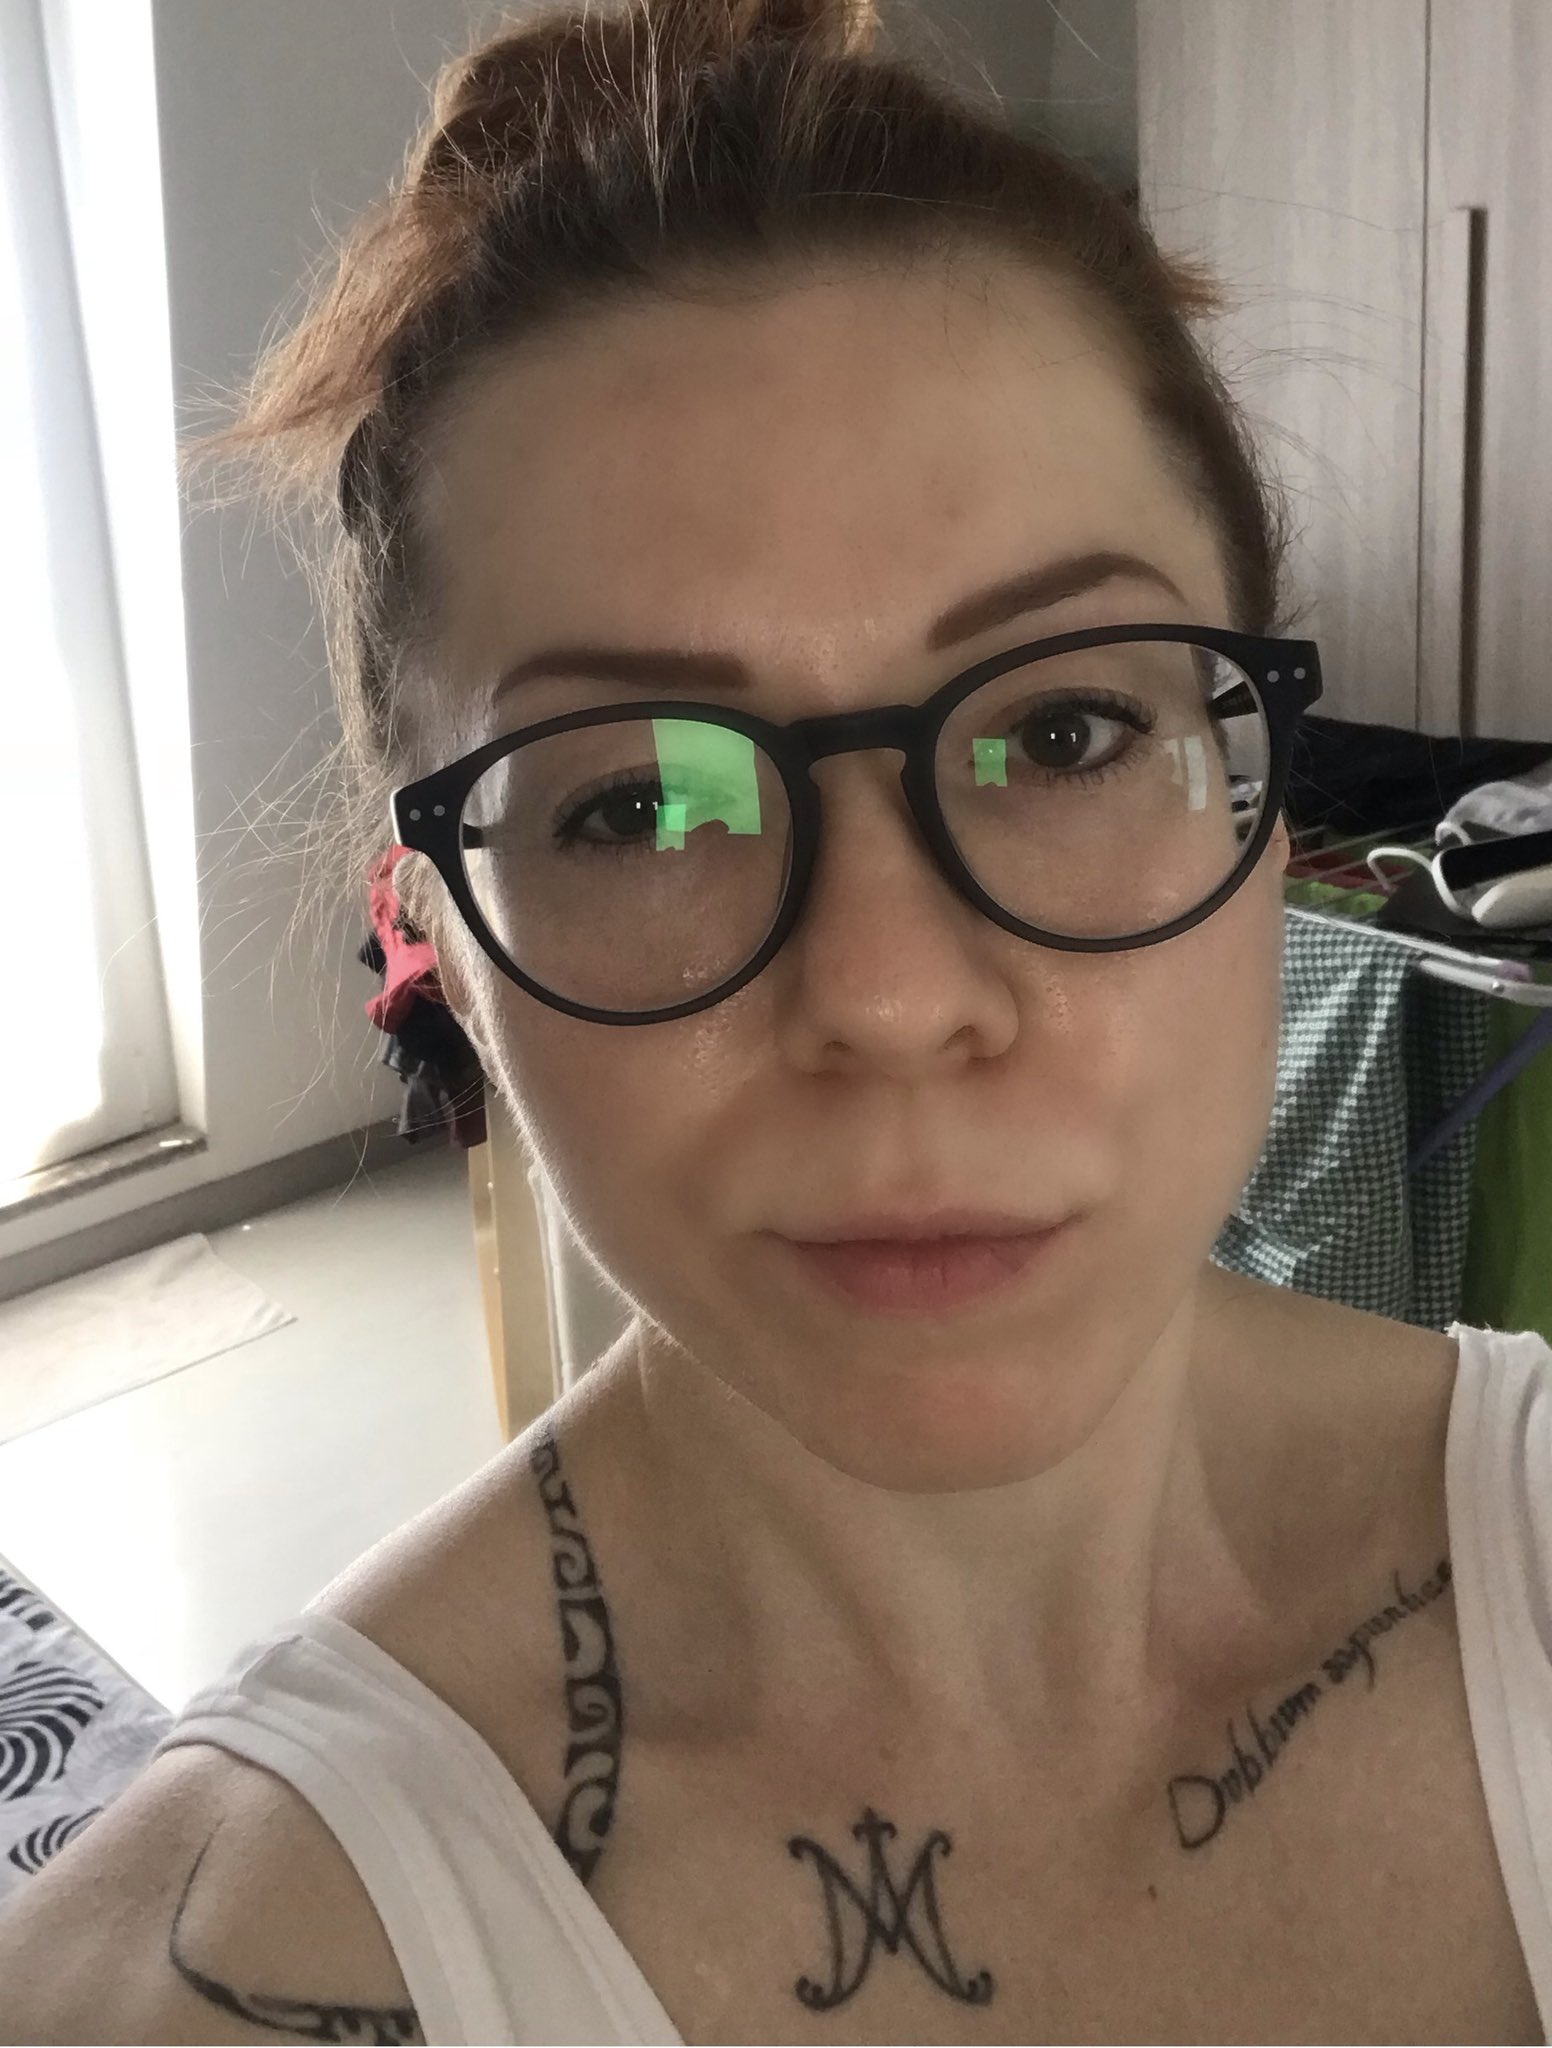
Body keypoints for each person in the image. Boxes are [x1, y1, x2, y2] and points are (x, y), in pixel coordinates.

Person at [3, 0, 1549, 2039]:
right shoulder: (187, 1985)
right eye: (643, 805)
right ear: (434, 925)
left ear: (1263, 785)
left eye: (1063, 732)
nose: (891, 997)